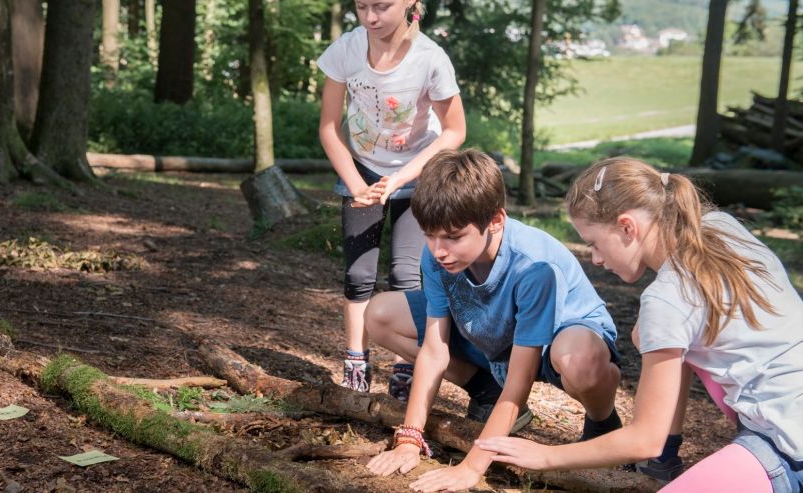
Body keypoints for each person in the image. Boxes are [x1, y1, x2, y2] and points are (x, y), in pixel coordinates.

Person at [477, 157, 803, 493]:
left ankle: (671, 457)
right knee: (652, 334)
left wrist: (544, 455)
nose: (596, 260)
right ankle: (666, 459)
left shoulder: (666, 297)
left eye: (594, 244)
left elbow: (643, 439)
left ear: (627, 227)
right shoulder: (721, 227)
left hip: (784, 443)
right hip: (789, 412)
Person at [365, 149, 623, 492]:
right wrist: (410, 438)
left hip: (557, 344)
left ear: (496, 221)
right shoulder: (439, 255)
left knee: (580, 362)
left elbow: (521, 379)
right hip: (491, 336)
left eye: (454, 236)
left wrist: (471, 467)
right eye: (430, 234)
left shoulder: (533, 268)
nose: (439, 249)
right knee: (380, 314)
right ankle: (486, 389)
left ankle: (603, 422)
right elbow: (434, 349)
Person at [317, 0, 466, 394]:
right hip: (360, 172)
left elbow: (454, 131)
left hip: (416, 173)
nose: (370, 17)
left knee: (405, 272)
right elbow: (330, 128)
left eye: (381, 6)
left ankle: (404, 368)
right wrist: (356, 184)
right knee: (358, 273)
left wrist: (400, 178)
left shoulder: (430, 58)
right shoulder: (346, 50)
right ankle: (355, 363)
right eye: (361, 6)